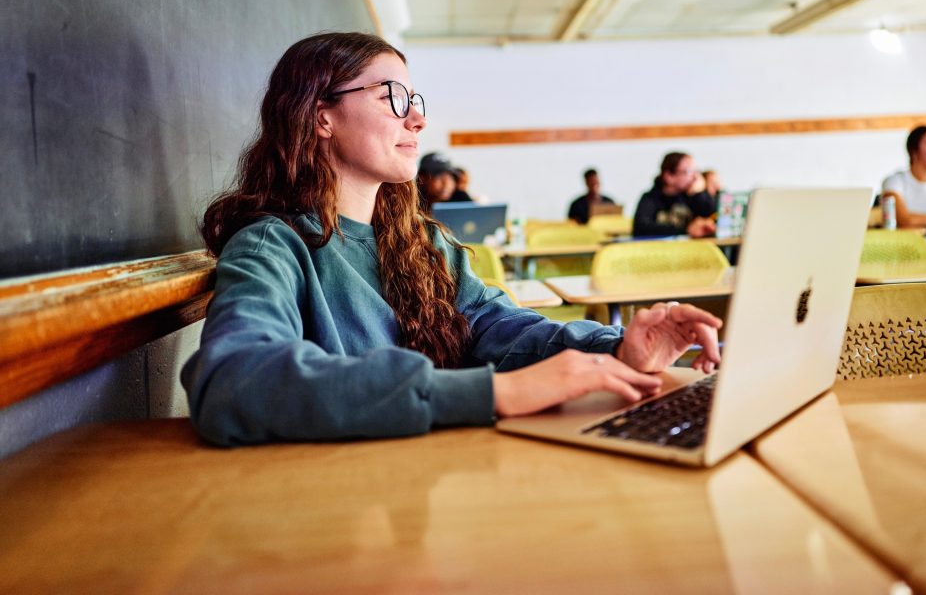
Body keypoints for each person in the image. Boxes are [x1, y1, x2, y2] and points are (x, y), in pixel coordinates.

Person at [179, 32, 722, 446]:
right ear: (322, 116)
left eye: (416, 99)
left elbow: (499, 326)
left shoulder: (420, 244)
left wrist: (615, 348)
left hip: (433, 479)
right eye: (391, 96)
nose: (416, 118)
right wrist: (494, 394)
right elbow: (234, 383)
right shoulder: (271, 245)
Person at [633, 152, 716, 237]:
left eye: (696, 171)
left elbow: (716, 218)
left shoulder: (694, 196)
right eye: (688, 172)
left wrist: (700, 194)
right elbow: (641, 228)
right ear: (669, 176)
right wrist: (686, 229)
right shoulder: (651, 198)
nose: (695, 177)